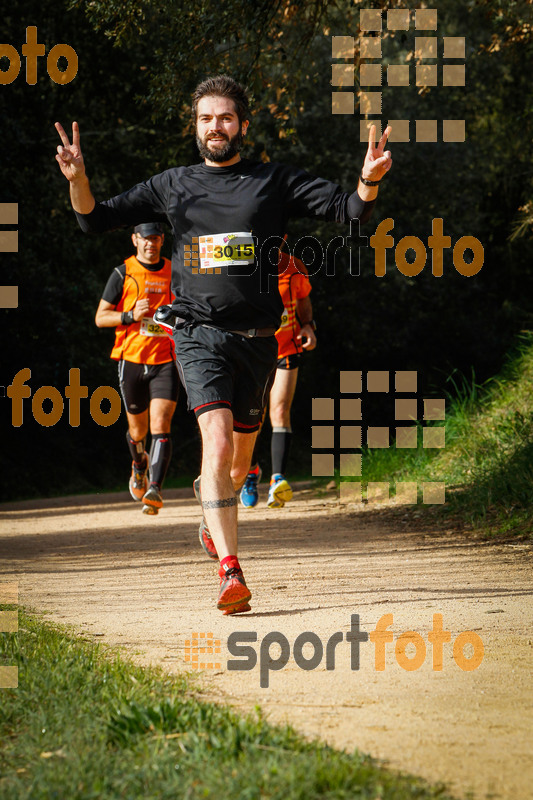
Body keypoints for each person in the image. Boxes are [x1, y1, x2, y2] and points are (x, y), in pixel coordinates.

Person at [55, 74, 392, 615]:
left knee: (236, 467)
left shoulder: (272, 181)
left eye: (226, 118)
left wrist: (368, 180)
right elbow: (92, 219)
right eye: (206, 118)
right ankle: (230, 572)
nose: (216, 127)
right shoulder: (174, 184)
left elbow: (349, 213)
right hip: (196, 335)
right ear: (195, 125)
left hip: (260, 341)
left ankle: (212, 507)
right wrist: (79, 177)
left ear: (243, 125)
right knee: (214, 443)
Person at [94, 223, 179, 516]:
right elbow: (101, 317)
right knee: (137, 429)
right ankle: (139, 465)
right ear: (135, 240)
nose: (151, 244)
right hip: (131, 359)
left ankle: (155, 488)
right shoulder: (123, 273)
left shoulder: (174, 270)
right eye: (145, 239)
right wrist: (130, 315)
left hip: (166, 359)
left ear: (161, 240)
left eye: (155, 239)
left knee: (161, 424)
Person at [240, 248, 317, 509]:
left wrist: (308, 325)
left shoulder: (294, 266)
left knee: (280, 410)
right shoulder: (241, 264)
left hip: (286, 348)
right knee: (254, 415)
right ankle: (251, 472)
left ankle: (277, 481)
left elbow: (303, 298)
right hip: (254, 353)